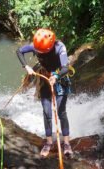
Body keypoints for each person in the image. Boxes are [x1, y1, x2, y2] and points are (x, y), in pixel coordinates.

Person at [16, 28, 73, 157]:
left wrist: (56, 77)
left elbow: (65, 67)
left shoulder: (59, 47)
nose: (39, 52)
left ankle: (66, 142)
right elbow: (19, 51)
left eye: (42, 51)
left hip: (60, 79)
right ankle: (48, 142)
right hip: (44, 78)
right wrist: (26, 66)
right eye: (38, 51)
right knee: (47, 112)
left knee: (61, 111)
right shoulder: (36, 45)